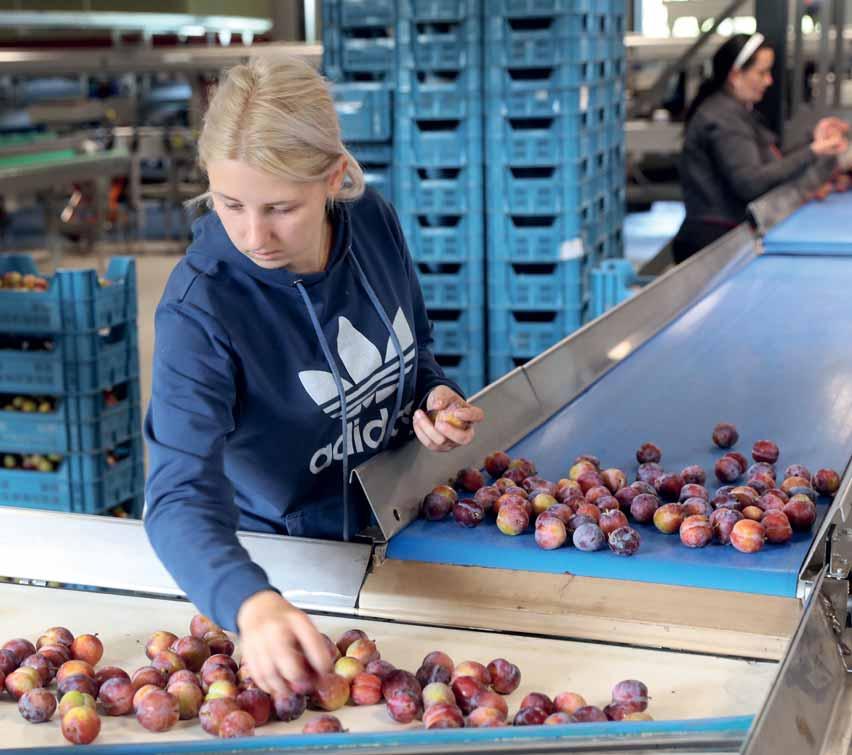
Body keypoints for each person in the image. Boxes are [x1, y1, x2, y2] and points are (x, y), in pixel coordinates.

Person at [143, 55, 485, 697]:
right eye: (230, 204)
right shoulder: (202, 308)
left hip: (404, 530)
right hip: (288, 576)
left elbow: (416, 350)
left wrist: (435, 397)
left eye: (280, 208)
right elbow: (177, 497)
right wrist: (249, 603)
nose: (254, 235)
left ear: (333, 178)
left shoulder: (373, 222)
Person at [673, 32, 849, 263]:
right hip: (713, 245)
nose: (769, 81)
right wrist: (813, 151)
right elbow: (751, 182)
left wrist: (814, 141)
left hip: (724, 238)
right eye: (762, 73)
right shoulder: (723, 119)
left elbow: (771, 163)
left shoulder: (736, 113)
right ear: (736, 75)